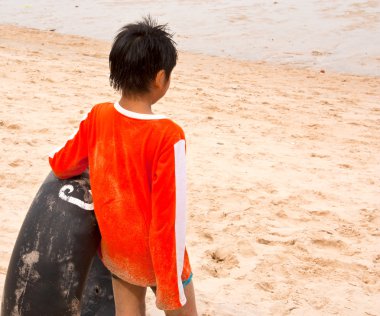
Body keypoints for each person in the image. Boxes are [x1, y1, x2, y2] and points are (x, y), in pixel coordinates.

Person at [49, 16, 198, 316]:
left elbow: (63, 163)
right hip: (159, 258)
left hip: (118, 250)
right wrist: (170, 288)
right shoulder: (169, 135)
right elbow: (169, 217)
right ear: (160, 79)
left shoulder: (98, 116)